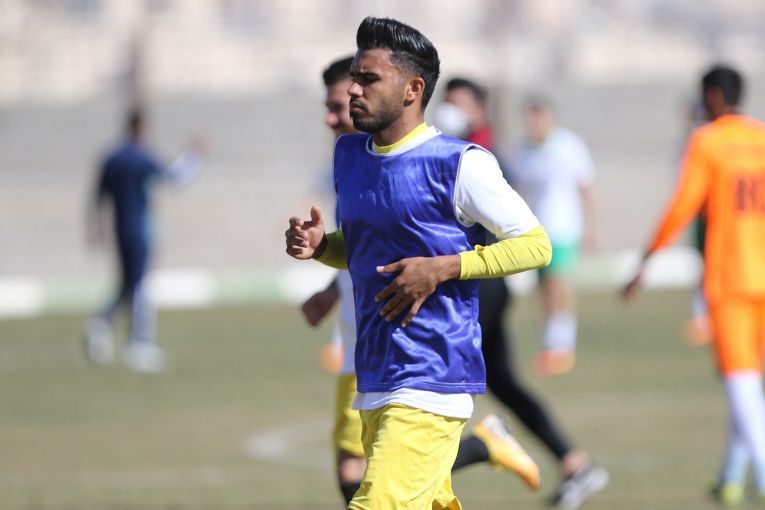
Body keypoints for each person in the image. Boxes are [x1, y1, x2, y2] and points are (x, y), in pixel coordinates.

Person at [287, 16, 550, 509]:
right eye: (354, 79)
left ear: (412, 89)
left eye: (368, 79)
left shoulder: (460, 163)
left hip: (432, 376)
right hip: (374, 375)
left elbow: (535, 245)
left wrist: (444, 267)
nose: (354, 90)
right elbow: (364, 252)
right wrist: (323, 246)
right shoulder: (349, 156)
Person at [436, 78, 609, 509]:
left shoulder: (480, 156)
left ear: (479, 110)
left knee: (437, 379)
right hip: (474, 286)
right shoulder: (446, 149)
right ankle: (575, 463)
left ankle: (477, 447)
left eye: (459, 103)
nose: (449, 111)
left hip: (480, 284)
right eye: (447, 102)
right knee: (503, 382)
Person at [623, 64, 765, 506]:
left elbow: (683, 204)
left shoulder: (708, 140)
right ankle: (731, 476)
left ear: (714, 96)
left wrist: (646, 258)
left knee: (740, 380)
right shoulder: (762, 137)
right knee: (751, 383)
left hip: (732, 278)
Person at [85, 108, 204, 373]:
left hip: (120, 229)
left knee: (128, 283)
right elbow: (175, 177)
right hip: (139, 229)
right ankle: (139, 343)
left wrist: (96, 229)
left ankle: (101, 324)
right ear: (141, 127)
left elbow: (98, 197)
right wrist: (194, 155)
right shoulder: (140, 157)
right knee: (139, 284)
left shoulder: (112, 158)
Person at [509, 97, 598, 377]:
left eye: (539, 117)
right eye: (530, 117)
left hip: (563, 227)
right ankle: (549, 344)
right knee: (542, 288)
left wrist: (591, 227)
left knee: (558, 284)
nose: (534, 123)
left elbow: (585, 187)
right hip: (535, 230)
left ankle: (563, 345)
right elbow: (518, 191)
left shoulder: (569, 146)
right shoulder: (523, 150)